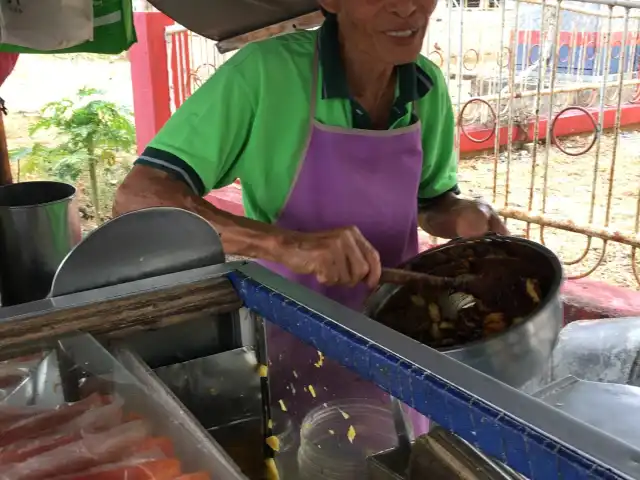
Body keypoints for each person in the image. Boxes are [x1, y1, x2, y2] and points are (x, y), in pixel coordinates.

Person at [114, 0, 507, 430]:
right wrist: (287, 244)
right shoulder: (266, 74)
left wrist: (466, 215)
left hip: (400, 343)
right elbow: (138, 197)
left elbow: (432, 202)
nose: (408, 8)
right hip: (293, 341)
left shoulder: (425, 84)